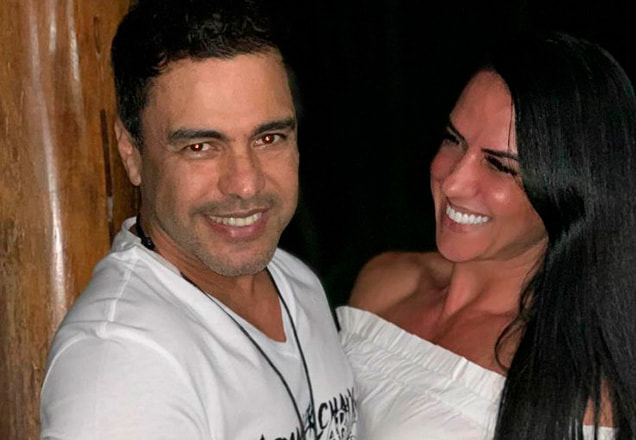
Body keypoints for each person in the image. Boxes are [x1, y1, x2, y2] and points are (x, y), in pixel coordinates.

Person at [40, 1, 357, 439]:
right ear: (131, 153)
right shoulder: (119, 366)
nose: (245, 184)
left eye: (268, 138)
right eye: (201, 147)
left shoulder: (298, 284)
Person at [338, 32, 636, 440]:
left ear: (570, 192)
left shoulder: (575, 389)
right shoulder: (386, 281)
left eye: (499, 165)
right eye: (453, 139)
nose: (453, 182)